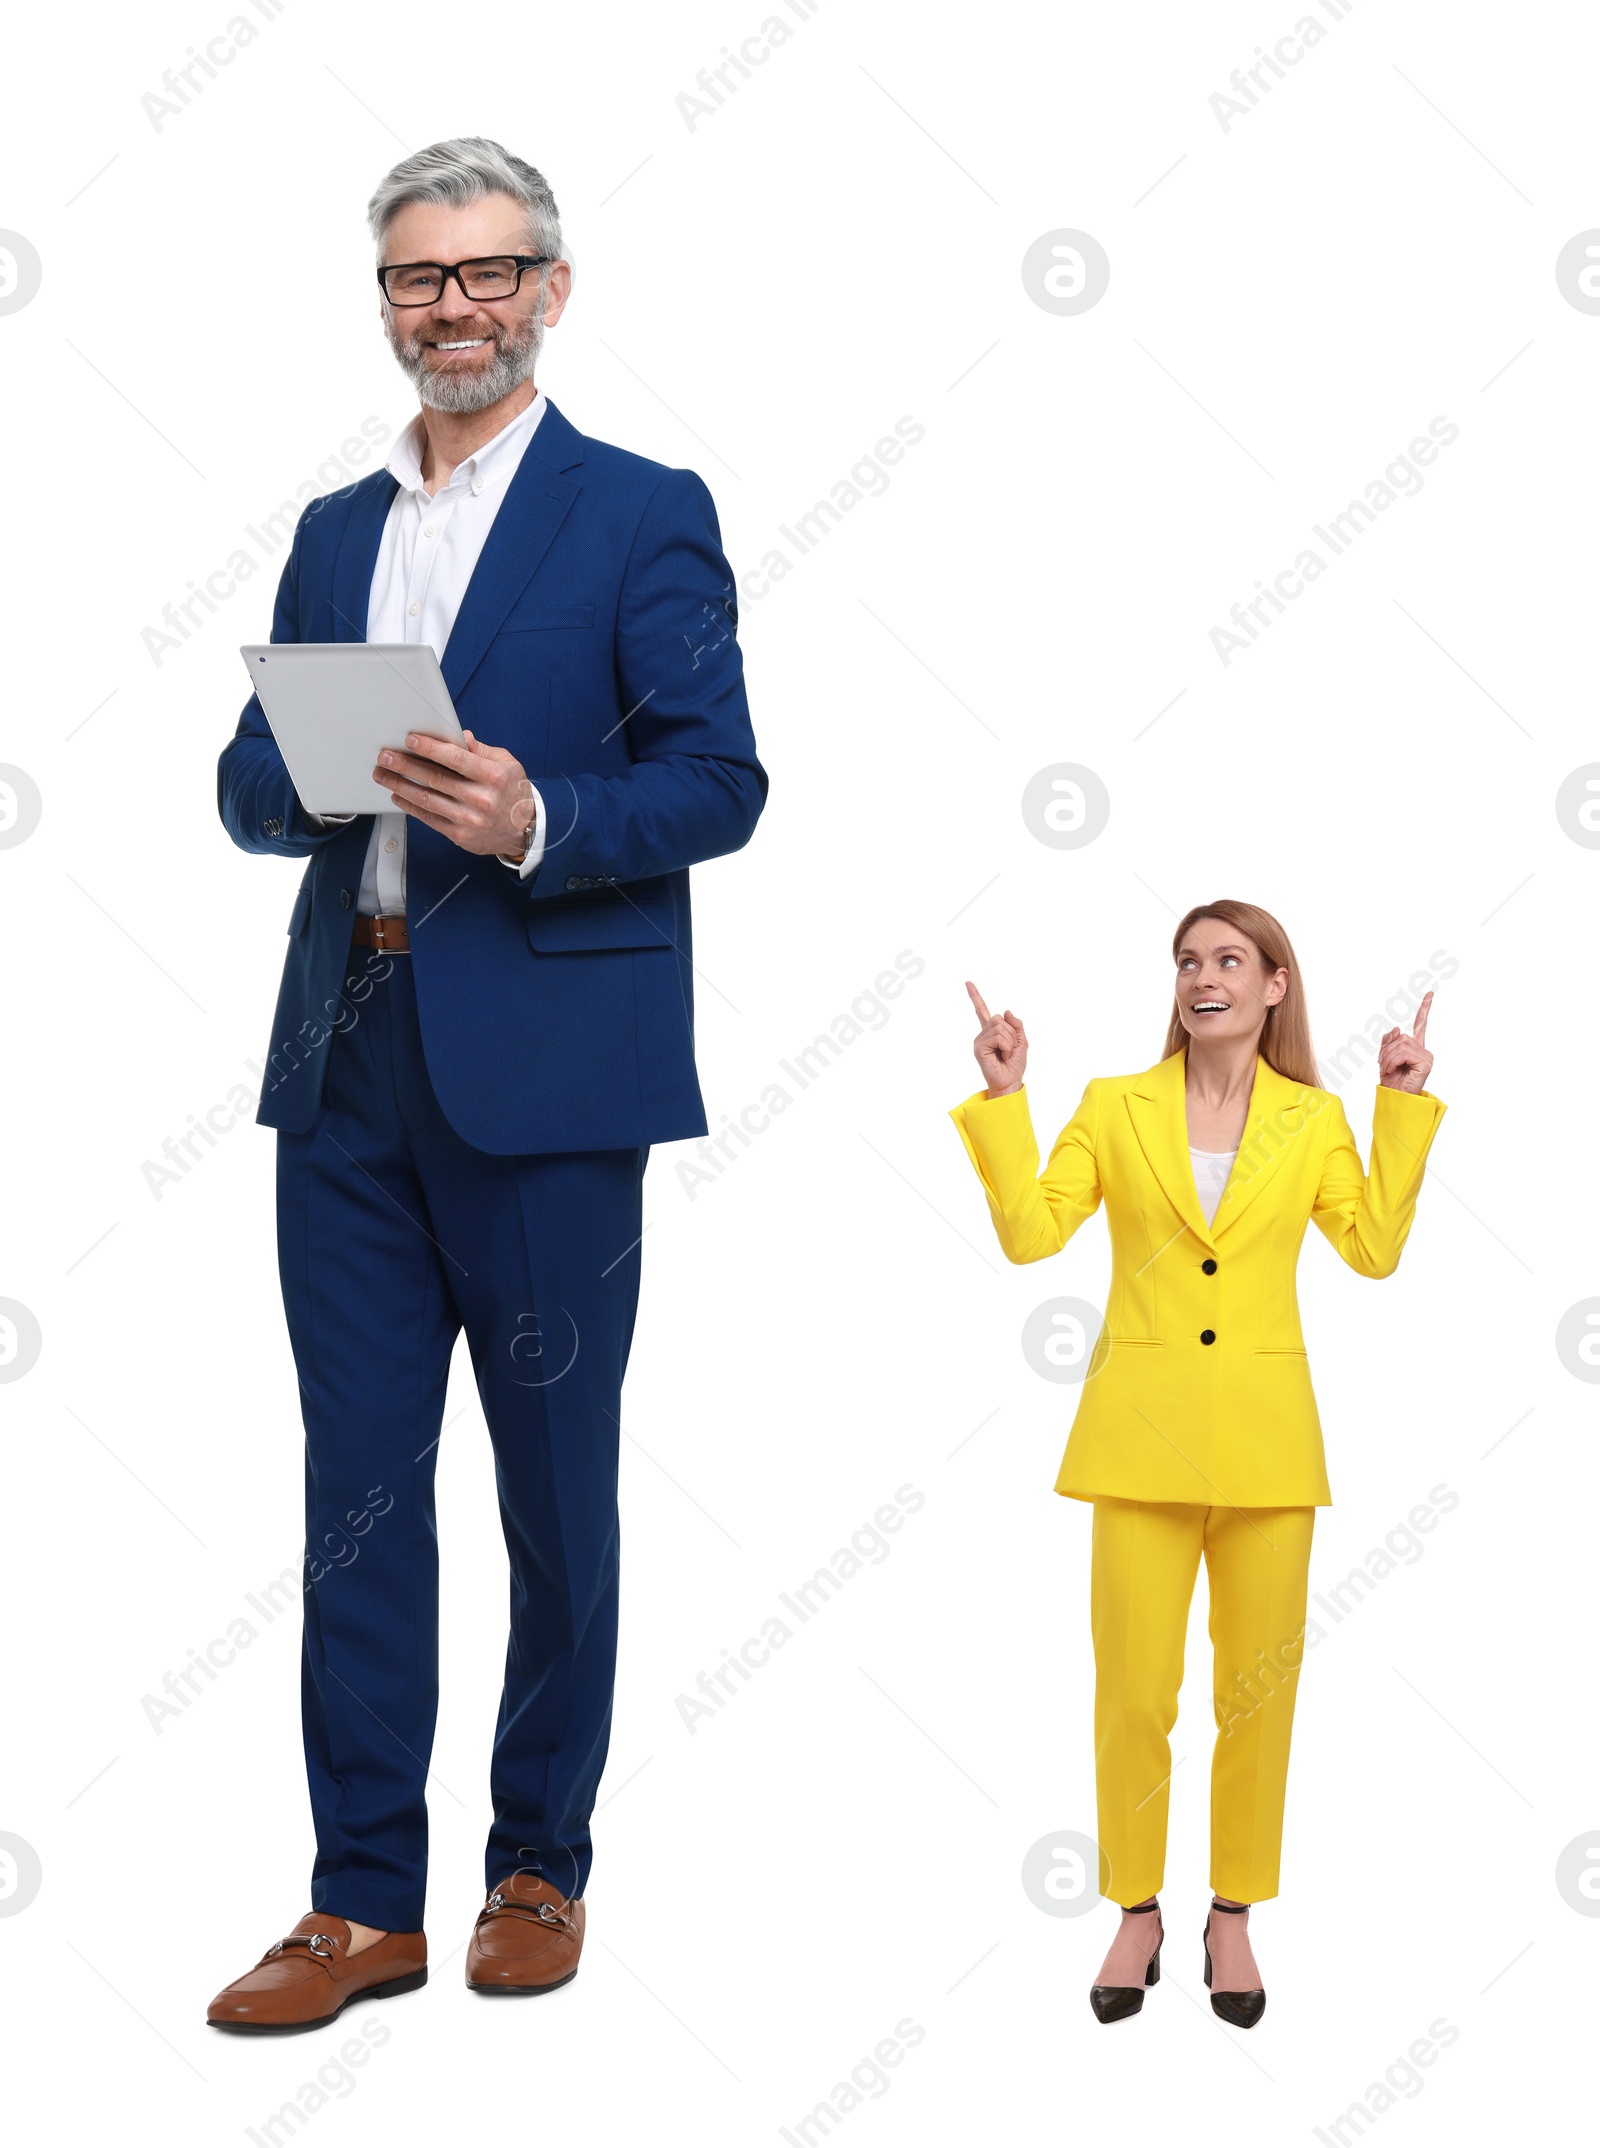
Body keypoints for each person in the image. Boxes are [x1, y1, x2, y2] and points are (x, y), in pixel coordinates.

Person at [207, 137, 766, 2031]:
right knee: (355, 1493)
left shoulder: (639, 510)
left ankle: (539, 1861)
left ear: (551, 287)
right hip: (346, 1070)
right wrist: (315, 774)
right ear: (385, 300)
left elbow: (721, 779)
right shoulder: (329, 528)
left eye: (487, 271)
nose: (452, 305)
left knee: (553, 1491)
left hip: (545, 1075)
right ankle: (361, 1901)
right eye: (417, 277)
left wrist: (540, 814)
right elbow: (242, 787)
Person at [951, 900, 1444, 2027]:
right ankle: (1135, 1908)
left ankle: (1232, 1914)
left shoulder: (1313, 1120)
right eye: (1186, 960)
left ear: (1275, 985)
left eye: (1228, 959)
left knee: (1254, 1698)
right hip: (1137, 1442)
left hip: (1269, 1451)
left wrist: (1399, 1109)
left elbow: (1371, 1251)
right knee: (1132, 1694)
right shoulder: (1113, 1107)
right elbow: (1031, 1233)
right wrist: (1003, 1098)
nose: (1201, 976)